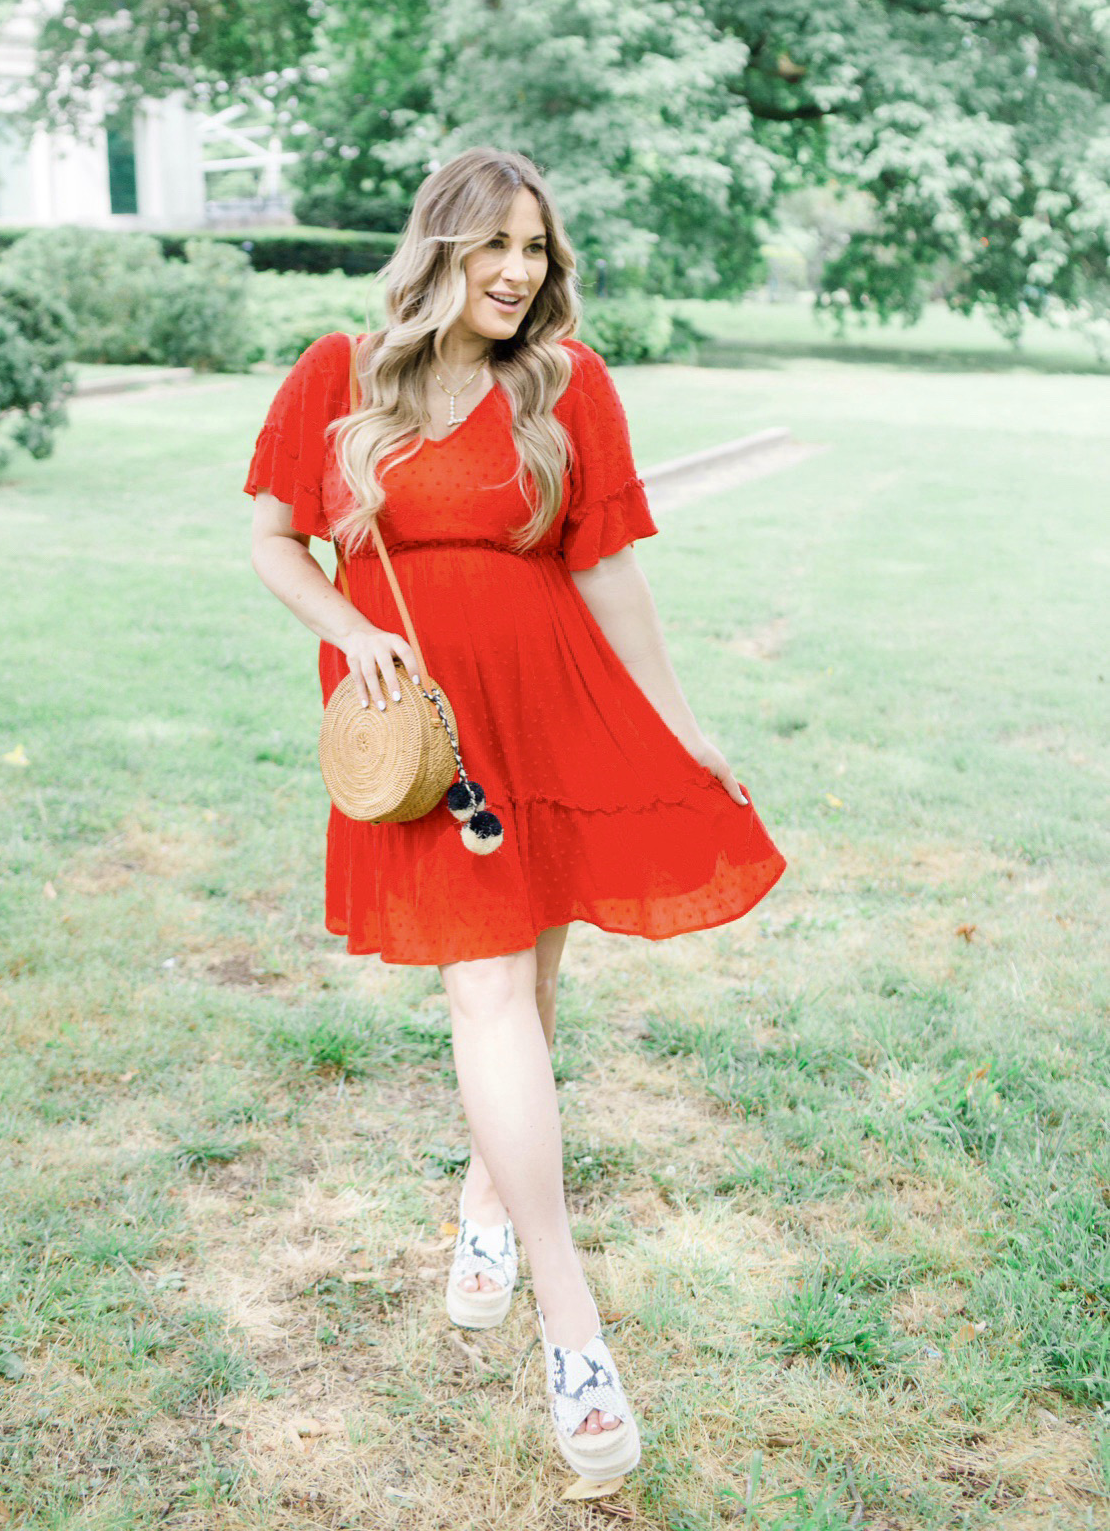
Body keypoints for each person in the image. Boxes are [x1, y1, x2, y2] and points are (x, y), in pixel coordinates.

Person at [244, 147, 786, 1479]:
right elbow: (270, 538)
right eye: (496, 245)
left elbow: (605, 573)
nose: (517, 273)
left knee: (531, 985)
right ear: (440, 247)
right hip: (430, 728)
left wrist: (682, 723)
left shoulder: (566, 382)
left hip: (551, 704)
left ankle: (489, 1199)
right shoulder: (341, 375)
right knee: (488, 994)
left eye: (537, 250)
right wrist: (353, 629)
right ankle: (572, 1323)